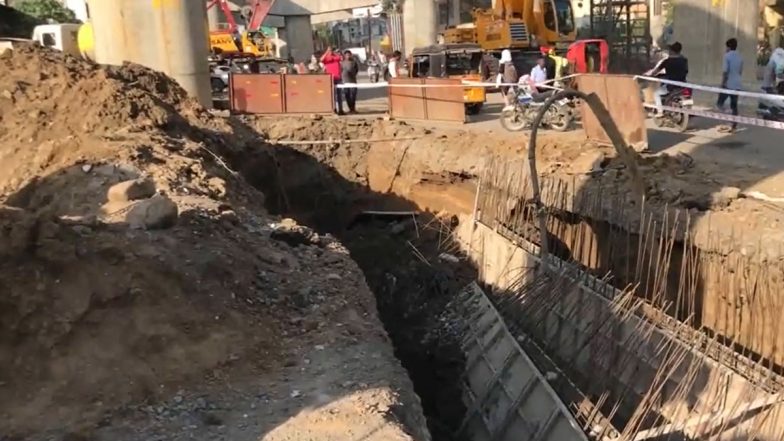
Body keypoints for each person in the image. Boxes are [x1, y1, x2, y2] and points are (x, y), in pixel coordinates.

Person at [648, 41, 689, 114]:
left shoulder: (667, 61)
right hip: (682, 84)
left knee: (656, 93)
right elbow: (686, 71)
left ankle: (660, 112)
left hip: (671, 86)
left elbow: (655, 71)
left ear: (672, 51)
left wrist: (651, 75)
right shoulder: (684, 60)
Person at [717, 38, 743, 131]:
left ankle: (727, 118)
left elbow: (725, 71)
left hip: (728, 84)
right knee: (734, 105)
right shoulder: (740, 56)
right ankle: (734, 124)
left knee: (720, 103)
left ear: (728, 47)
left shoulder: (727, 56)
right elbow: (740, 71)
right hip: (737, 83)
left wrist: (722, 83)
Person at [321, 47, 345, 114]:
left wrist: (336, 53)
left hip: (338, 77)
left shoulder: (335, 56)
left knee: (339, 94)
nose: (330, 51)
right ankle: (334, 109)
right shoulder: (326, 58)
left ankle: (341, 109)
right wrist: (326, 52)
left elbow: (342, 58)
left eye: (331, 50)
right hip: (330, 78)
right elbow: (321, 59)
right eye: (329, 50)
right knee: (332, 95)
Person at [341, 50, 360, 114]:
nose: (348, 56)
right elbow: (341, 70)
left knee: (353, 95)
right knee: (347, 95)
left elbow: (356, 70)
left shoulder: (354, 62)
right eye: (346, 55)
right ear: (344, 56)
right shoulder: (342, 63)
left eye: (349, 55)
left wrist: (353, 74)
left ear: (351, 55)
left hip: (353, 81)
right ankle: (350, 108)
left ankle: (353, 108)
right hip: (345, 82)